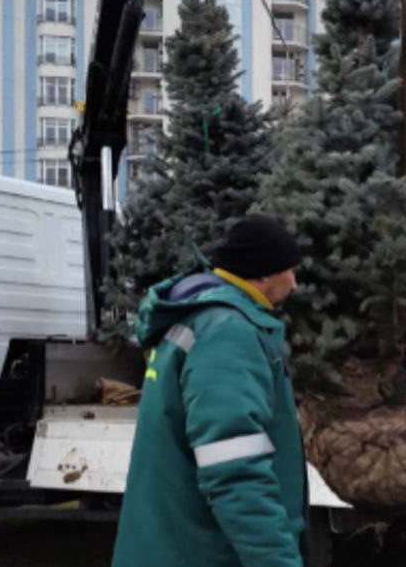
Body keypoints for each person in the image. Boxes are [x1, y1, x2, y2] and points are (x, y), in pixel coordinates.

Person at [113, 215, 309, 567]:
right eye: (290, 270)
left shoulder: (196, 316)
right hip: (201, 551)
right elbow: (235, 469)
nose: (294, 283)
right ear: (264, 274)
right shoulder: (228, 333)